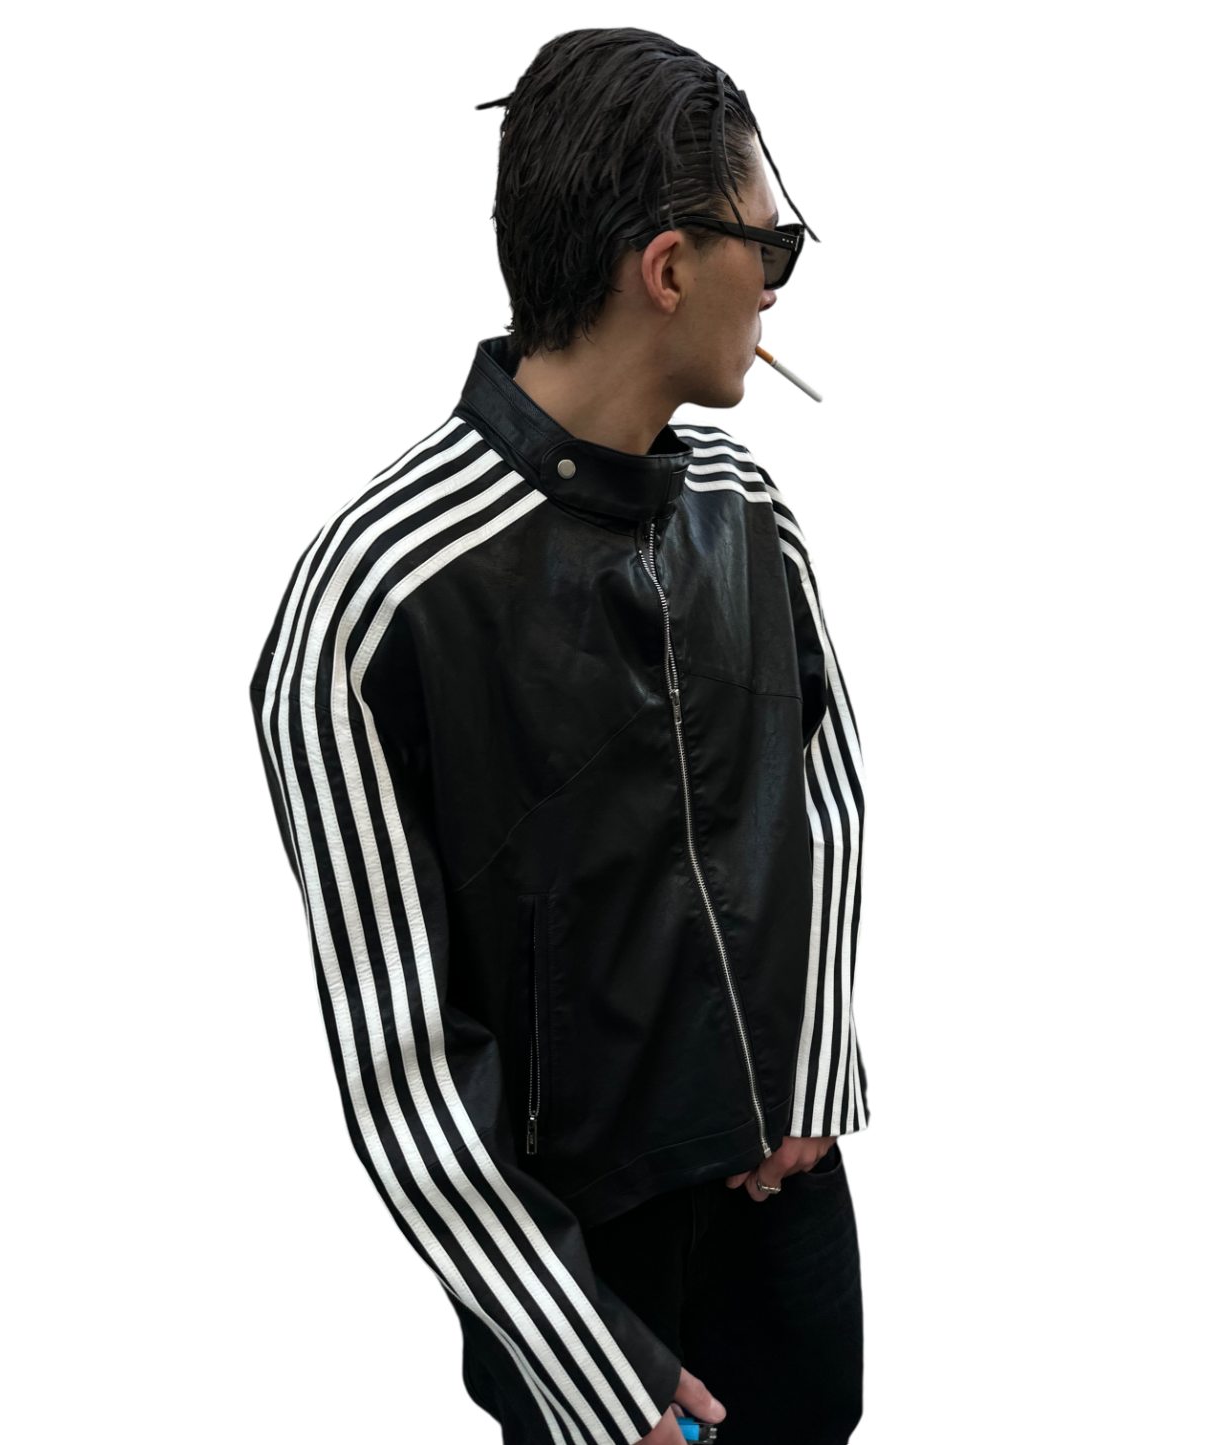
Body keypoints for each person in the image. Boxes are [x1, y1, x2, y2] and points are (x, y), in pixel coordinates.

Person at [248, 25, 869, 1445]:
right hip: (580, 1285)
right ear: (669, 269)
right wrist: (586, 1363)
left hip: (789, 1222)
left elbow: (831, 785)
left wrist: (815, 1070)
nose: (777, 279)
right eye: (765, 242)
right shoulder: (373, 596)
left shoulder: (752, 506)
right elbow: (397, 1061)